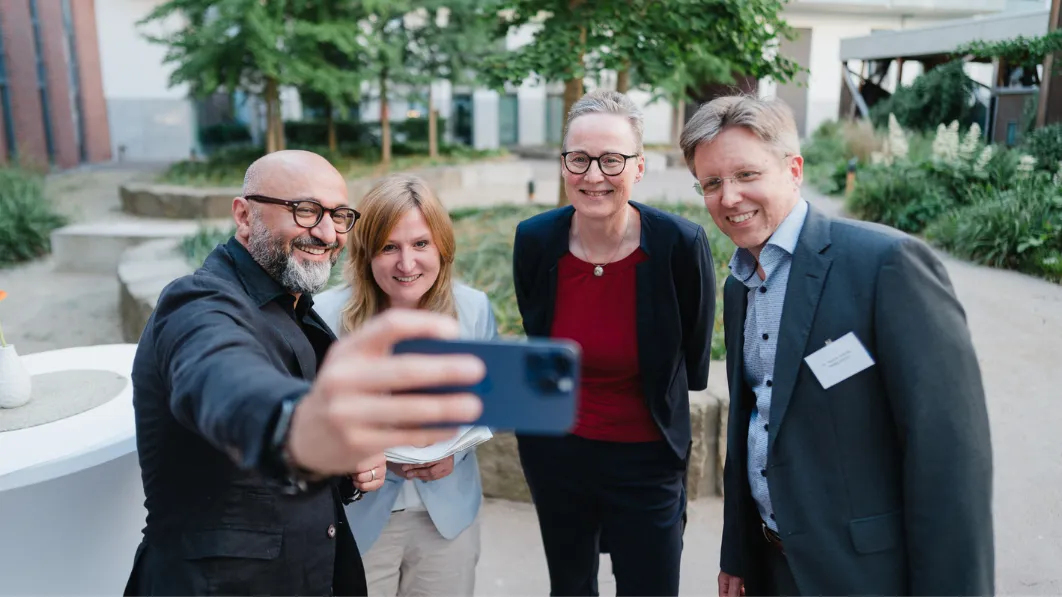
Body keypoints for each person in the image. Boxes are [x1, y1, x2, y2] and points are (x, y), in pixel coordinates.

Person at [124, 150, 486, 596]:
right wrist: (302, 427)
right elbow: (224, 380)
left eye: (338, 215)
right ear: (244, 214)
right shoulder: (198, 303)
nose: (326, 231)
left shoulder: (301, 310)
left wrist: (349, 465)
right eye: (305, 210)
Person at [678, 95, 994, 596]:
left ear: (794, 169)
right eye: (712, 183)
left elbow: (949, 456)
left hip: (865, 575)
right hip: (772, 564)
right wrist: (737, 552)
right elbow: (752, 424)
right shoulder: (739, 284)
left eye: (746, 175)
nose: (729, 197)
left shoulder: (885, 265)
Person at [511, 89, 717, 596]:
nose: (594, 174)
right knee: (571, 587)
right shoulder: (535, 240)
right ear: (564, 165)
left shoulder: (679, 245)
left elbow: (693, 352)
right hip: (557, 454)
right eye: (578, 159)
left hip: (647, 458)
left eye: (612, 159)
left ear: (639, 167)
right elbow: (539, 334)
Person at [314, 174, 496, 596]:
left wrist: (455, 453)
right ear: (366, 252)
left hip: (447, 516)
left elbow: (487, 406)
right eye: (389, 247)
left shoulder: (473, 310)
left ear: (441, 247)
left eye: (420, 244)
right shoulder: (323, 316)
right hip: (357, 519)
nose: (406, 264)